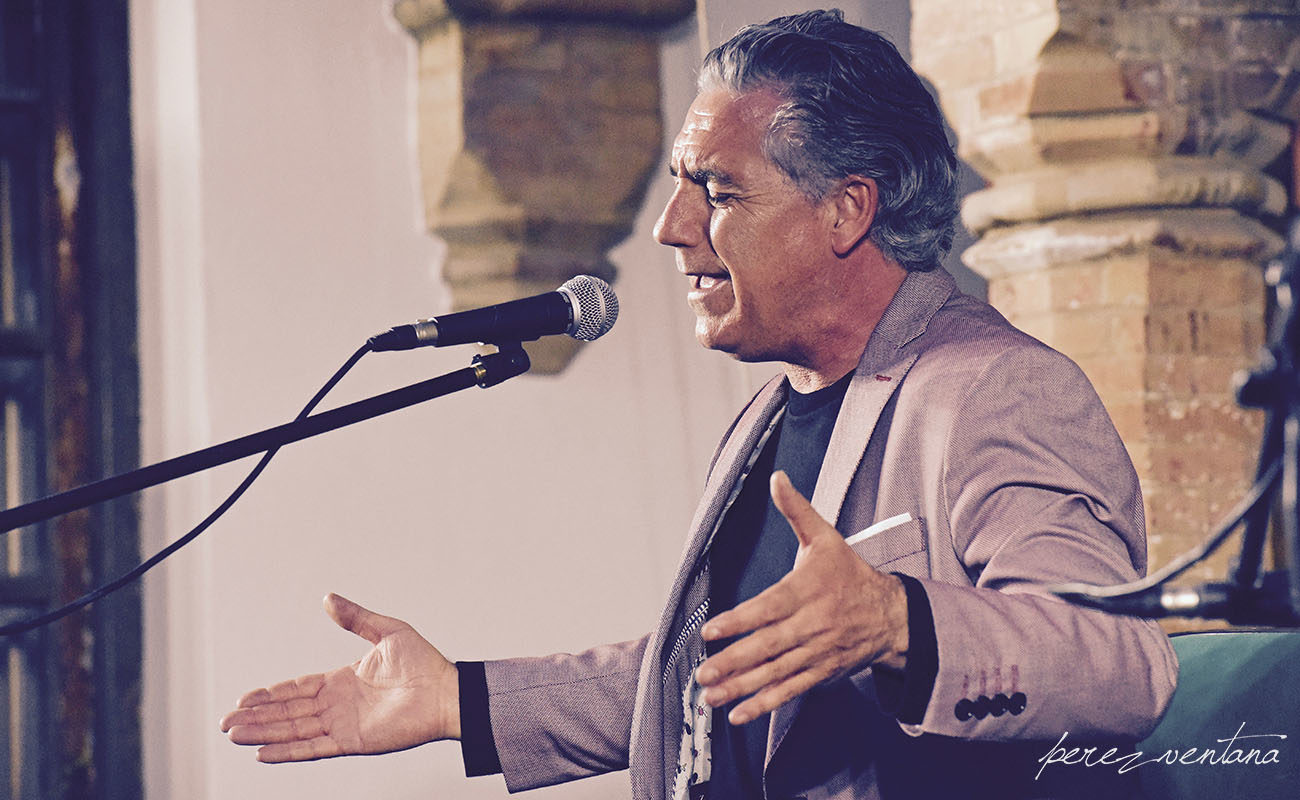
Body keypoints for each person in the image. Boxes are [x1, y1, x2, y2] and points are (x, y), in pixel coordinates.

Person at [221, 10, 1177, 799]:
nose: (673, 230)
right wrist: (459, 702)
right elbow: (710, 672)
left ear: (848, 210)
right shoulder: (770, 411)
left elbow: (1119, 659)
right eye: (682, 188)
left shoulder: (990, 388)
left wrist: (900, 622)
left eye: (714, 191)